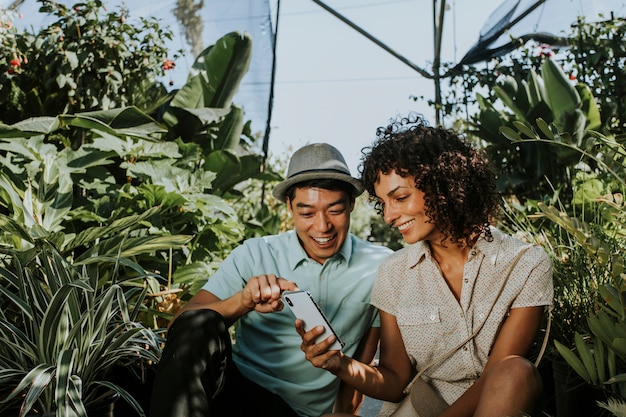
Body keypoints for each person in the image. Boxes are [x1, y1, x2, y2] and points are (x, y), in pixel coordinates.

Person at [298, 115, 553, 417]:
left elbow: (498, 375)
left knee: (515, 371)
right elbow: (394, 380)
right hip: (420, 407)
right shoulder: (393, 273)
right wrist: (340, 364)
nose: (389, 215)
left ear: (444, 185)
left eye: (400, 197)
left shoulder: (525, 264)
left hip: (495, 404)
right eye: (384, 202)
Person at [149, 143, 393, 417]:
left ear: (351, 203)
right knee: (200, 320)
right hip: (237, 393)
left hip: (300, 413)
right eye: (307, 213)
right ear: (289, 206)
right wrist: (242, 302)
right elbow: (181, 327)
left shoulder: (381, 266)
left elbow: (364, 355)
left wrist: (345, 413)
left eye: (335, 210)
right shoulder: (253, 254)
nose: (322, 226)